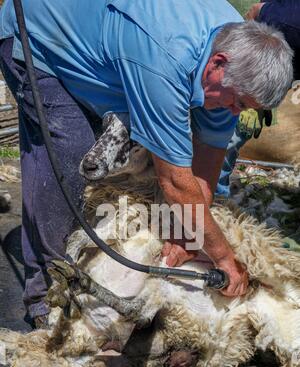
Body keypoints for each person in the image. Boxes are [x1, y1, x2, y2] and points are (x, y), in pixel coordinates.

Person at [0, 0, 293, 327]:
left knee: (159, 140)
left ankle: (120, 124)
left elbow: (208, 159)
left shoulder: (233, 55)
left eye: (246, 107)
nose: (236, 112)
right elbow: (177, 183)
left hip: (112, 45)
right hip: (37, 36)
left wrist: (187, 234)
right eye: (238, 102)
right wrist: (225, 258)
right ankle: (44, 291)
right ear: (218, 64)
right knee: (68, 146)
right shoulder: (167, 59)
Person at [217, 0, 300, 197]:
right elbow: (256, 13)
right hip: (275, 48)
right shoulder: (290, 20)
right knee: (234, 120)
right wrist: (250, 86)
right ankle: (213, 193)